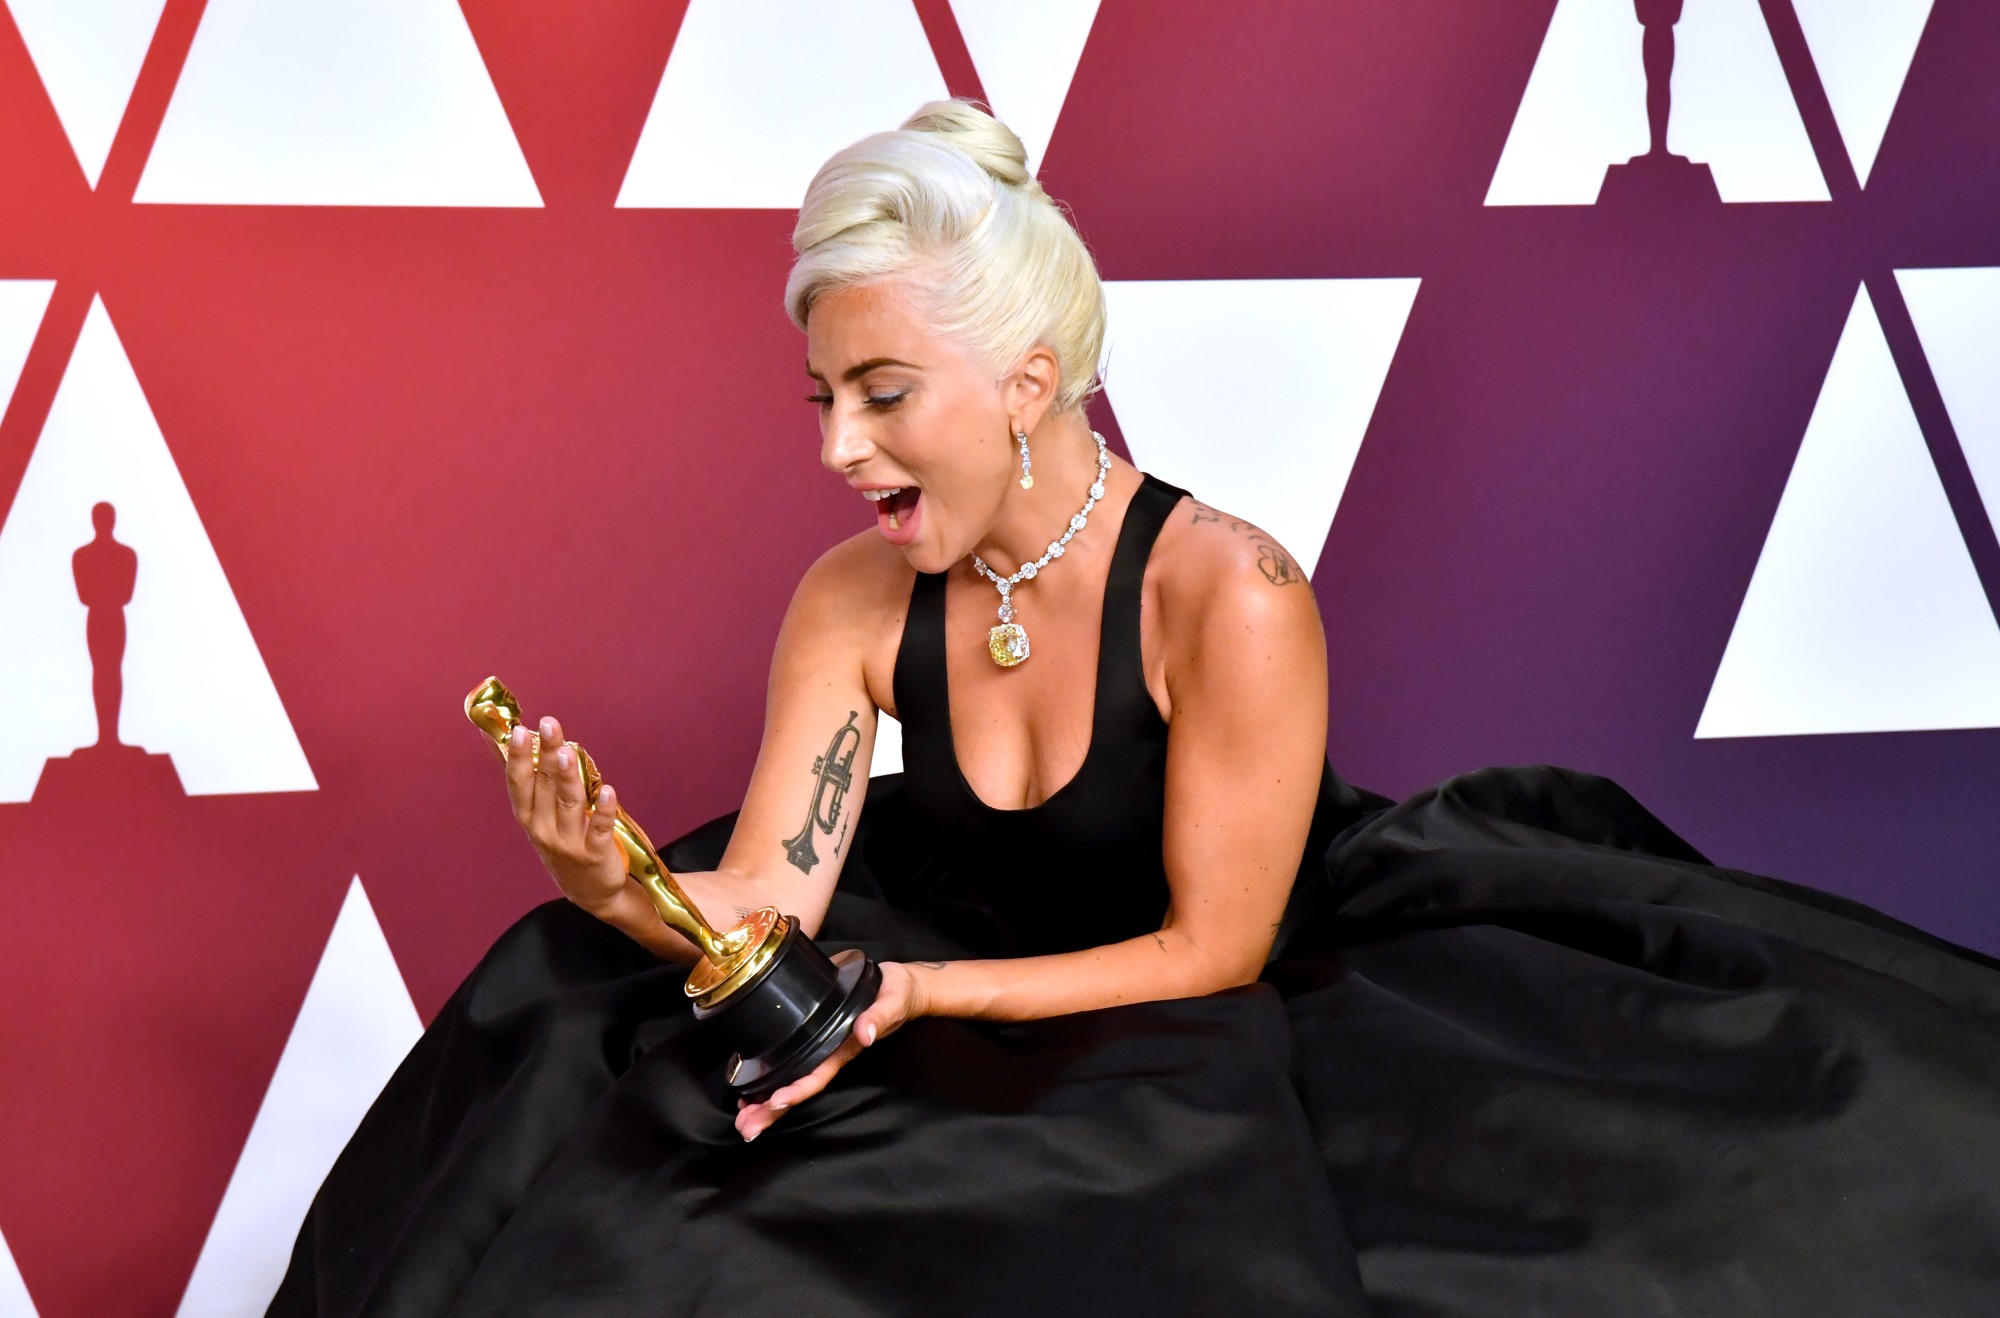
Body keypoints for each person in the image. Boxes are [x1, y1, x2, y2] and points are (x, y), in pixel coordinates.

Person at [271, 101, 2000, 1317]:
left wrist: (914, 997)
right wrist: (608, 876)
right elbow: (772, 906)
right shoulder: (852, 598)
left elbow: (1209, 949)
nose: (839, 448)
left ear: (1028, 380)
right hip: (949, 971)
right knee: (590, 1083)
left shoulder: (1229, 592)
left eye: (883, 394)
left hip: (1211, 985)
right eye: (820, 399)